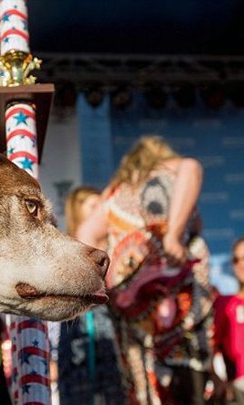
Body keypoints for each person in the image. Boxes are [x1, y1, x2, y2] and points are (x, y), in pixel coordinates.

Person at [78, 136, 214, 405]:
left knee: (142, 383)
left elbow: (86, 233)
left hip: (130, 307)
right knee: (187, 381)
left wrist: (105, 285)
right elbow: (191, 168)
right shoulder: (168, 170)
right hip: (177, 301)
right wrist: (174, 235)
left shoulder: (115, 192)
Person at [57, 186, 126, 405]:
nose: (101, 212)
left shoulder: (117, 245)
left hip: (113, 339)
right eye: (94, 206)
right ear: (77, 211)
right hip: (79, 339)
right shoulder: (67, 250)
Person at [213, 237, 244, 404]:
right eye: (236, 259)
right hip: (238, 389)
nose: (240, 264)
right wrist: (220, 381)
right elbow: (213, 345)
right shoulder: (224, 303)